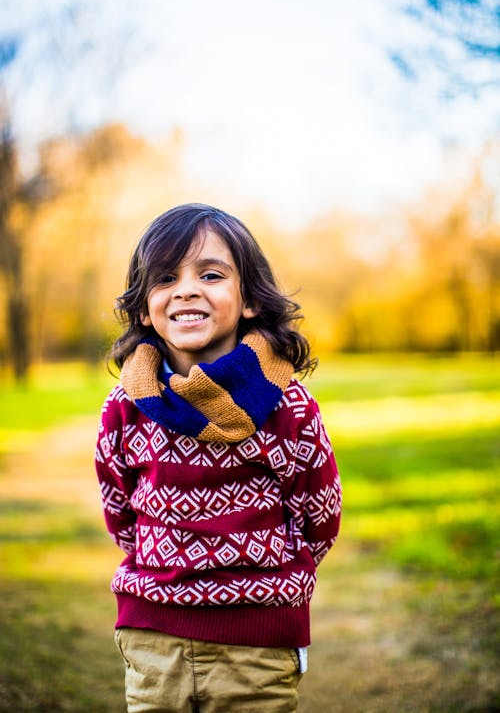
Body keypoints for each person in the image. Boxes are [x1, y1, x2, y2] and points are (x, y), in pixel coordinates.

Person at [95, 203, 342, 713]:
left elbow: (319, 517)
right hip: (153, 633)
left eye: (210, 274)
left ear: (249, 299)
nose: (186, 289)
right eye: (166, 277)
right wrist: (170, 564)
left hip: (257, 643)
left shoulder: (286, 406)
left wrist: (261, 583)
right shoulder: (127, 405)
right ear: (145, 309)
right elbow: (119, 507)